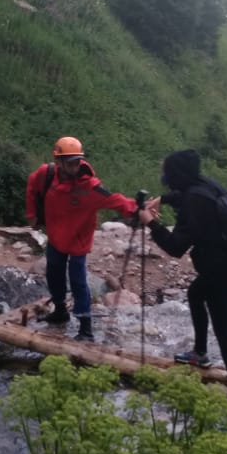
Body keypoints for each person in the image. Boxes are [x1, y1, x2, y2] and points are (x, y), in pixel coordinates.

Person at [138, 148, 227, 396]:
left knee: (225, 332)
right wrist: (162, 200)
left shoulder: (194, 202)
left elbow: (176, 247)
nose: (166, 179)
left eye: (168, 174)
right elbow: (184, 197)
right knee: (196, 294)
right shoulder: (203, 186)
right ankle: (200, 354)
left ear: (177, 175)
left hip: (220, 270)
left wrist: (151, 223)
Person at [25, 136, 138, 342]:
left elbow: (114, 200)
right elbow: (32, 186)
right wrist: (32, 214)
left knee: (78, 281)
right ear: (58, 162)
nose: (76, 166)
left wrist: (139, 209)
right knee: (54, 273)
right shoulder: (46, 174)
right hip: (56, 237)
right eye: (71, 162)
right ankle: (60, 310)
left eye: (78, 161)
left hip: (78, 240)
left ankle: (85, 329)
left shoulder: (89, 186)